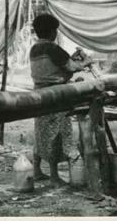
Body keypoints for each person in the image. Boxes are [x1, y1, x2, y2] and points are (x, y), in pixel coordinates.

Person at [29, 13, 93, 186]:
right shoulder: (52, 48)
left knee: (41, 132)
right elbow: (71, 67)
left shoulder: (34, 48)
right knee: (55, 134)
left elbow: (57, 65)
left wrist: (72, 58)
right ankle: (54, 177)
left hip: (39, 93)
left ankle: (36, 170)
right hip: (56, 94)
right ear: (52, 32)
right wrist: (86, 61)